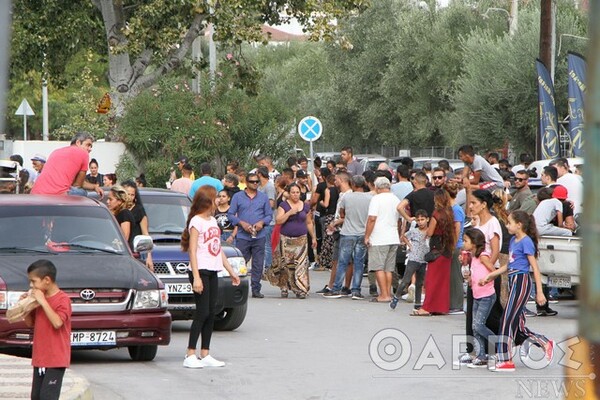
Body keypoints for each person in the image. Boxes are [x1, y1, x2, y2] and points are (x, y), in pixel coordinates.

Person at [481, 211, 554, 372]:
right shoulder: (514, 240)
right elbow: (510, 265)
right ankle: (543, 342)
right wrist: (491, 275)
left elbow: (534, 268)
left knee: (506, 320)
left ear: (519, 225)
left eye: (509, 222)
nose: (507, 225)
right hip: (513, 280)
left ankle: (505, 359)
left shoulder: (526, 241)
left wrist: (540, 293)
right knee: (517, 324)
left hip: (521, 281)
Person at [181, 185, 240, 368]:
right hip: (200, 270)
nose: (219, 201)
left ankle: (205, 353)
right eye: (216, 198)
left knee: (212, 311)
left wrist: (231, 271)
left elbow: (218, 249)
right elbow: (192, 251)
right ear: (208, 201)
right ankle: (190, 353)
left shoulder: (213, 221)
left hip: (213, 270)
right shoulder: (196, 222)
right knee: (202, 311)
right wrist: (196, 278)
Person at [22, 259, 72, 400]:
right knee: (36, 396)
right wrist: (25, 306)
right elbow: (30, 323)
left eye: (34, 281)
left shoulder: (63, 299)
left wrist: (43, 301)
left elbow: (57, 323)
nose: (32, 285)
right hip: (40, 358)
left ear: (47, 280)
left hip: (56, 359)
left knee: (48, 396)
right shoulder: (38, 300)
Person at [323, 175, 372, 299]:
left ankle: (336, 288)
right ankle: (356, 290)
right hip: (362, 232)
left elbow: (342, 213)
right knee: (359, 263)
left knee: (342, 261)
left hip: (347, 232)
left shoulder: (347, 197)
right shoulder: (369, 198)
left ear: (353, 184)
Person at [267, 183, 317, 299]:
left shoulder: (305, 206)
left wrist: (313, 237)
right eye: (293, 192)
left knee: (301, 265)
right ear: (289, 194)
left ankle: (300, 288)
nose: (295, 195)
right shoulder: (284, 206)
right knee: (285, 265)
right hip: (286, 239)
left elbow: (309, 222)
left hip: (301, 239)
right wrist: (289, 213)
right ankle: (284, 286)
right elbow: (278, 220)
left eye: (297, 192)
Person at [228, 172, 272, 298]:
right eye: (252, 181)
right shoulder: (238, 196)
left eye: (257, 181)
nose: (255, 184)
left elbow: (269, 215)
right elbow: (231, 214)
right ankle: (237, 287)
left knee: (258, 263)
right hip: (243, 235)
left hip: (259, 235)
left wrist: (261, 222)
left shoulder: (263, 197)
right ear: (246, 183)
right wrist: (241, 223)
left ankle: (256, 289)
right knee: (241, 262)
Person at [411, 190, 456, 316]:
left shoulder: (437, 214)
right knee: (442, 282)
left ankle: (427, 307)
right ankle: (440, 307)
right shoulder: (450, 213)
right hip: (446, 250)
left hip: (436, 250)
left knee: (431, 280)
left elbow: (430, 232)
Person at [461, 228, 496, 368]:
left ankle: (499, 344)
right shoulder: (473, 257)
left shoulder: (483, 256)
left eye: (465, 241)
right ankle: (481, 355)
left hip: (486, 296)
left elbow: (493, 271)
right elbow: (475, 274)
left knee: (478, 325)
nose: (463, 243)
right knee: (475, 327)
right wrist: (470, 278)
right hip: (477, 295)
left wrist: (486, 279)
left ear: (474, 243)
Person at [30, 132, 104, 198]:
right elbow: (78, 185)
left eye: (91, 146)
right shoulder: (84, 154)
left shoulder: (56, 151)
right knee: (82, 192)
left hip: (36, 194)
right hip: (57, 196)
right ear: (78, 142)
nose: (90, 149)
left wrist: (94, 186)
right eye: (88, 145)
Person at [364, 177, 400, 303]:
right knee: (388, 268)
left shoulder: (376, 199)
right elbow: (400, 219)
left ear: (377, 187)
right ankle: (388, 293)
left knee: (378, 267)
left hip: (379, 237)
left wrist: (367, 236)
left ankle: (383, 294)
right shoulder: (395, 198)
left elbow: (372, 218)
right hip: (393, 236)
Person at [390, 209, 429, 310]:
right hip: (413, 258)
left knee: (420, 282)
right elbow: (404, 237)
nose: (420, 222)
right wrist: (410, 245)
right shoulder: (414, 231)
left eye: (422, 219)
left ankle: (417, 303)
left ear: (427, 219)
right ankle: (396, 297)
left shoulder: (429, 231)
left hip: (424, 259)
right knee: (406, 280)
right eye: (418, 220)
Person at [122, 180, 154, 270]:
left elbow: (145, 235)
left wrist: (149, 257)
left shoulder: (139, 210)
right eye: (128, 194)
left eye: (132, 195)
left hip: (135, 253)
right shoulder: (118, 210)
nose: (130, 197)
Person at [446, 182, 466, 315]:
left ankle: (457, 304)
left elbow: (457, 229)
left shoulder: (456, 209)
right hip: (452, 245)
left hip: (456, 245)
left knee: (456, 276)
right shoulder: (450, 208)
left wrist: (453, 245)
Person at [107, 185, 135, 251]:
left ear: (119, 201)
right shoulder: (115, 214)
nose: (107, 202)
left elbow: (124, 239)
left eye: (110, 199)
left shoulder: (124, 214)